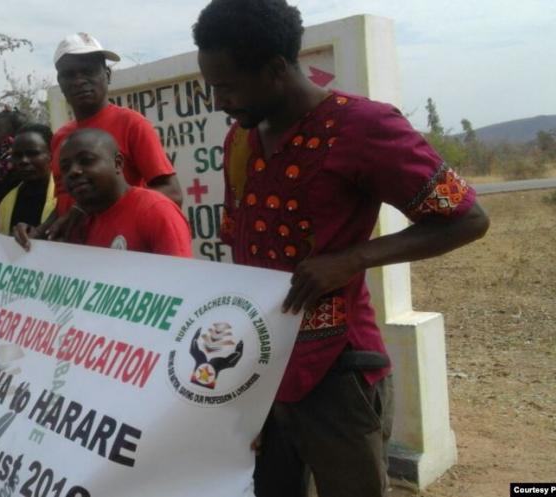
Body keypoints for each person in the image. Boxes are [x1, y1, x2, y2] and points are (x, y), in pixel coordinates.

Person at [192, 1, 490, 496]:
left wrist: (354, 259)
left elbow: (467, 219)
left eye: (226, 86)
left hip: (336, 371)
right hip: (258, 368)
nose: (218, 100)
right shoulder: (240, 141)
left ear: (276, 69)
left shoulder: (363, 128)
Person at [43, 32, 183, 239]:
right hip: (74, 255)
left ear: (107, 75)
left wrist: (86, 210)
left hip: (119, 250)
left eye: (88, 71)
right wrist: (41, 229)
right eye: (69, 74)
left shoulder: (132, 124)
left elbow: (172, 193)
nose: (79, 81)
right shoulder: (61, 137)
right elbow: (65, 202)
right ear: (60, 82)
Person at [14, 128, 191, 258]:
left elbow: (181, 288)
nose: (74, 172)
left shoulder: (157, 212)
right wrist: (30, 240)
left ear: (118, 163)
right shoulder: (79, 223)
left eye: (87, 161)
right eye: (65, 168)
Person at [0, 123, 57, 235]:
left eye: (33, 154)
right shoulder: (6, 203)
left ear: (51, 154)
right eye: (17, 155)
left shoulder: (65, 197)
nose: (24, 161)